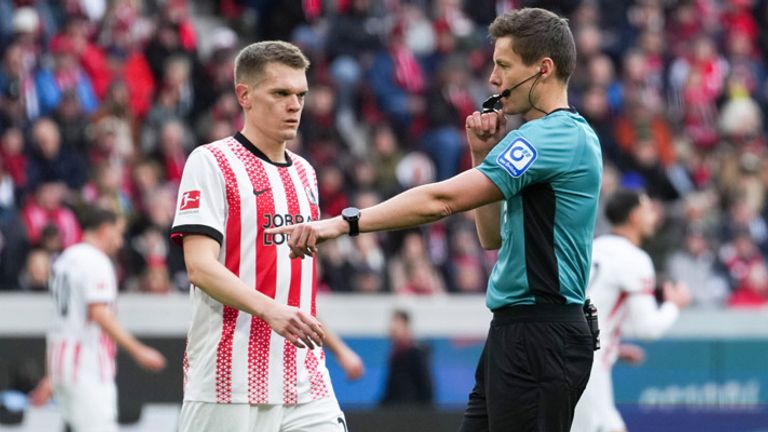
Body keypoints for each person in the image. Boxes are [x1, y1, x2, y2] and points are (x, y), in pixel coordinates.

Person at [269, 8, 602, 431]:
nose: (494, 80)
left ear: (543, 69)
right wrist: (482, 154)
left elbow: (442, 200)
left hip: (540, 332)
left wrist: (343, 223)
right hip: (518, 330)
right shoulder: (539, 138)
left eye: (503, 65)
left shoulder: (555, 136)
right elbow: (491, 237)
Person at [170, 41, 347, 432]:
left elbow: (293, 281)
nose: (295, 105)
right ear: (244, 96)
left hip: (305, 377)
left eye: (301, 94)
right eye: (281, 93)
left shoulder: (305, 172)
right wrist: (270, 310)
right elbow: (199, 267)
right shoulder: (211, 161)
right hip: (228, 378)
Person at [570, 189, 691, 432]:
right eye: (648, 210)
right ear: (635, 216)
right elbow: (647, 328)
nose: (654, 216)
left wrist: (615, 346)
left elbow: (594, 307)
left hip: (564, 353)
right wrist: (673, 306)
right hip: (587, 363)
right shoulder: (635, 259)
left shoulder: (592, 248)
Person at [44, 206, 166, 432]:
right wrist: (138, 350)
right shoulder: (96, 261)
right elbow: (99, 313)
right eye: (118, 233)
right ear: (104, 230)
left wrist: (49, 378)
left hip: (61, 361)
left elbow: (66, 319)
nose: (120, 242)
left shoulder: (65, 259)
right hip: (87, 364)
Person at [380, 310, 434, 406]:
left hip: (412, 413)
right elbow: (390, 390)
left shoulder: (416, 353)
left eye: (397, 324)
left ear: (406, 326)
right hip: (395, 411)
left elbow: (426, 387)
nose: (392, 328)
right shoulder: (394, 354)